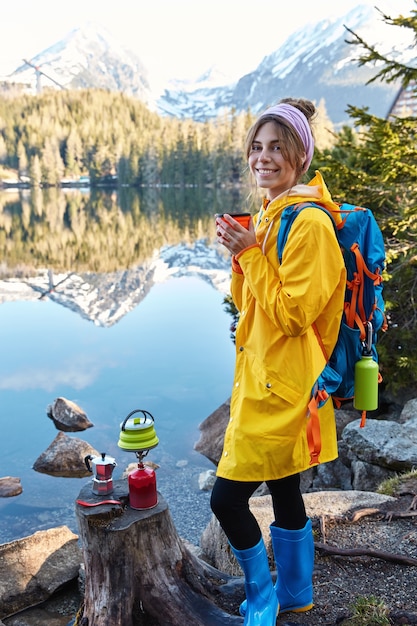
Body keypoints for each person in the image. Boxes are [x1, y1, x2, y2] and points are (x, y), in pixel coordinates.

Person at [211, 98, 346, 625]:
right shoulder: (273, 214)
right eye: (257, 147)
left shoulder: (309, 223)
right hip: (267, 376)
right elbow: (253, 305)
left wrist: (250, 253)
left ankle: (263, 597)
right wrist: (243, 255)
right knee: (286, 485)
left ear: (299, 156)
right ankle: (295, 593)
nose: (263, 158)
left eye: (277, 148)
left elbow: (293, 313)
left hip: (284, 387)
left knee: (227, 500)